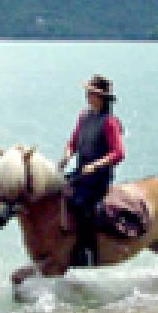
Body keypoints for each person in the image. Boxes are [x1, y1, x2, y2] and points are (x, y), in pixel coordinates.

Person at [58, 74, 125, 266]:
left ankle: (86, 249)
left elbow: (118, 153)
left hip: (99, 178)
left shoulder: (110, 122)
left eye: (92, 93)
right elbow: (73, 143)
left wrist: (96, 165)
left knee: (81, 203)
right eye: (88, 92)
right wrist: (67, 155)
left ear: (102, 98)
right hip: (81, 173)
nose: (88, 96)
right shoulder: (84, 116)